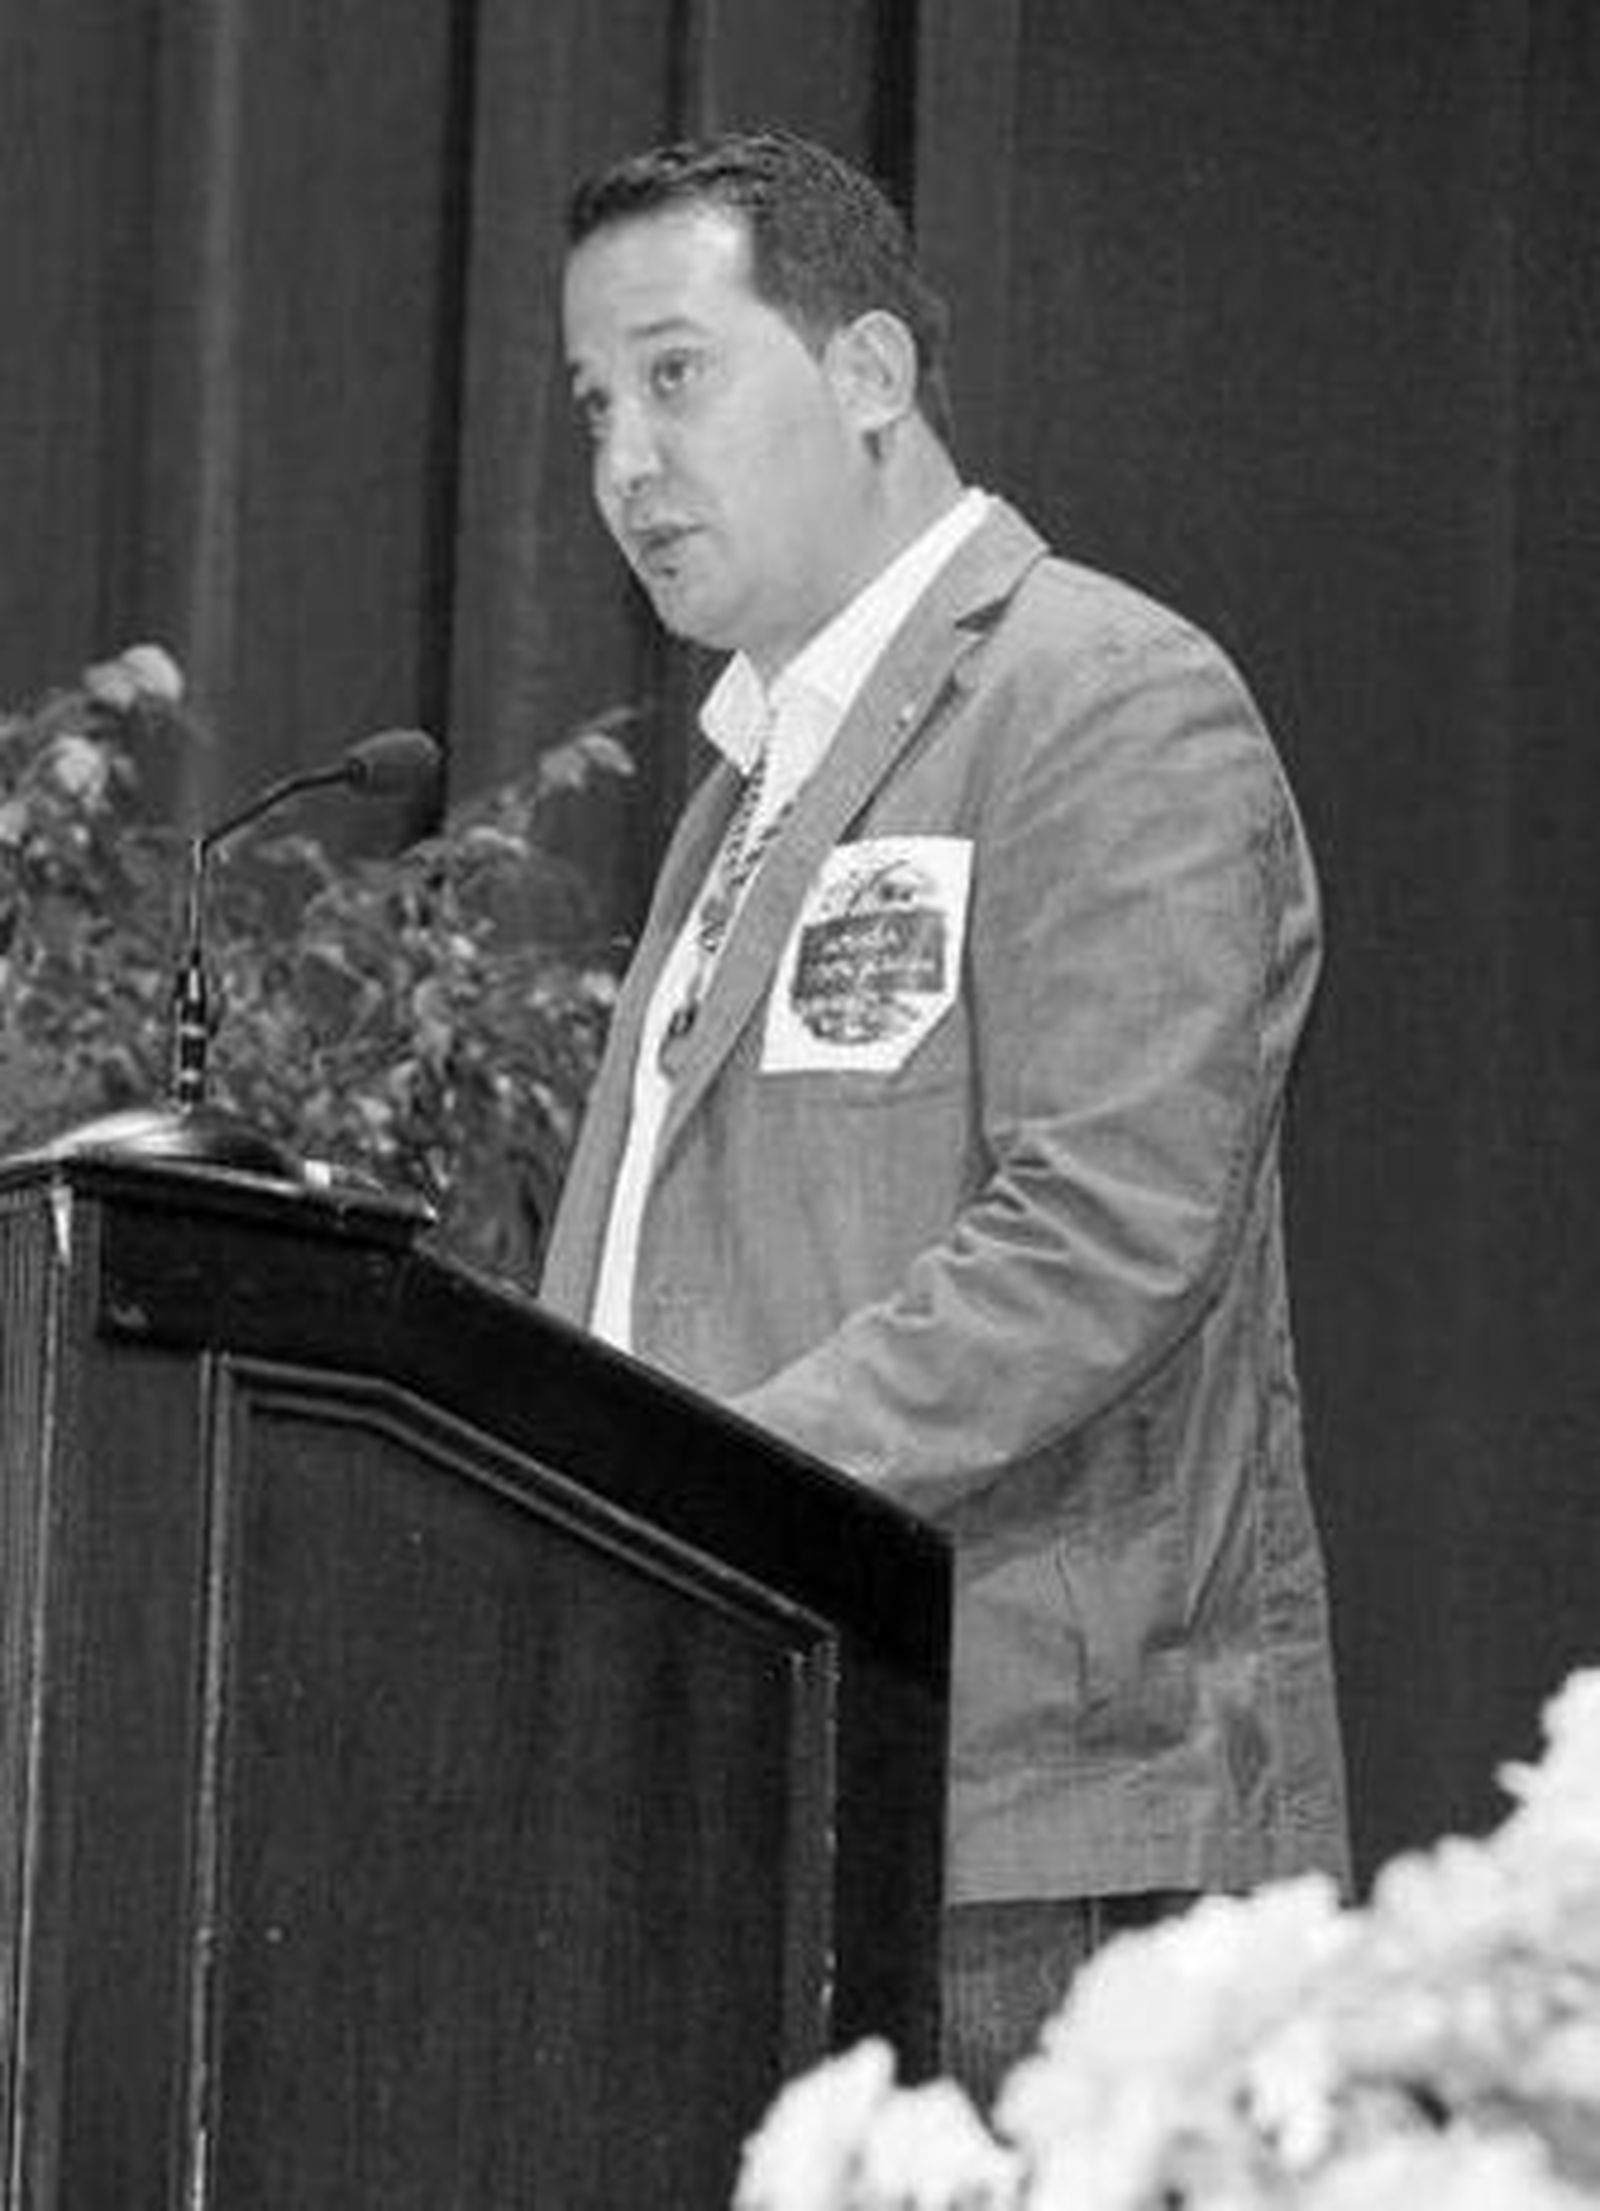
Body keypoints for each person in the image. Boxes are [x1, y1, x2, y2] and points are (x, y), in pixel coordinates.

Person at [540, 127, 1349, 2102]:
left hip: (1027, 1835)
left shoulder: (1103, 699)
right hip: (753, 1779)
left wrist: (686, 1486)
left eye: (673, 373)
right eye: (591, 406)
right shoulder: (739, 799)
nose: (625, 461)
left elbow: (1103, 1235)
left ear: (870, 373)